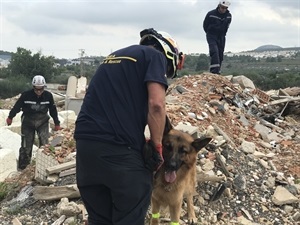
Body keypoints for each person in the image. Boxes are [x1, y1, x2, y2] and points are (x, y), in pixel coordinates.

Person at [74, 28, 184, 225]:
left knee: (100, 219)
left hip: (86, 149)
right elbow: (157, 105)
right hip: (119, 151)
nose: (164, 75)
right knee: (130, 217)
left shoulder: (112, 59)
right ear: (170, 54)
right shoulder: (155, 56)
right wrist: (157, 146)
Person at [6, 75, 60, 170]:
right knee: (26, 145)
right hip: (28, 122)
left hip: (43, 121)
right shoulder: (26, 95)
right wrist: (10, 117)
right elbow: (17, 107)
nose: (39, 92)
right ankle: (24, 168)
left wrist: (57, 123)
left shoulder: (48, 96)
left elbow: (53, 110)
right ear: (33, 87)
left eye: (41, 89)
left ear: (44, 87)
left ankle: (44, 166)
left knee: (44, 143)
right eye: (36, 89)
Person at [203, 0, 232, 74]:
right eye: (222, 7)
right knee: (214, 51)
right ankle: (214, 71)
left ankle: (218, 70)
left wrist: (222, 34)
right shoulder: (211, 14)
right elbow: (205, 25)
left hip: (221, 36)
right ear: (219, 6)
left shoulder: (229, 16)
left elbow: (227, 27)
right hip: (211, 35)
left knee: (220, 54)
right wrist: (209, 33)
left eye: (225, 8)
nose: (223, 9)